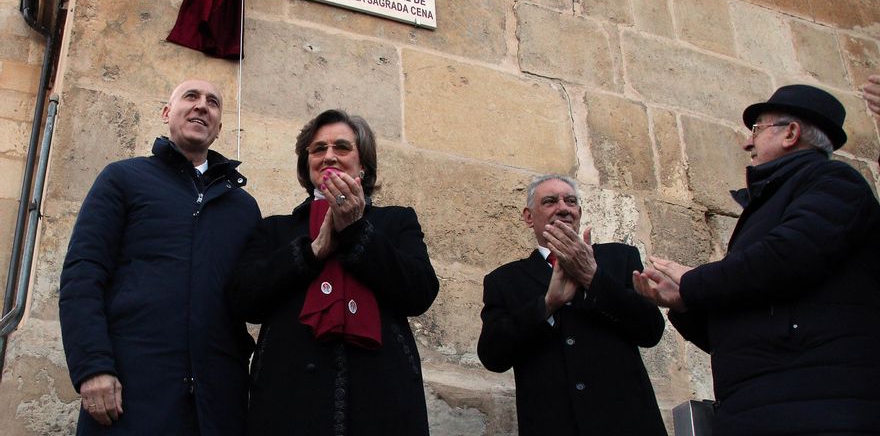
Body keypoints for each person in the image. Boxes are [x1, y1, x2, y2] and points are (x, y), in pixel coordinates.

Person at [634, 84, 880, 435]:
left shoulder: (833, 182)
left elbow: (785, 257)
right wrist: (684, 304)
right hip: (764, 407)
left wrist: (691, 283)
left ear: (791, 133)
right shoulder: (774, 202)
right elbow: (751, 327)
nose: (747, 143)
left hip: (816, 408)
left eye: (757, 129)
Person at [59, 79, 261, 434]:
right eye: (191, 97)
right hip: (131, 393)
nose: (202, 106)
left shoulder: (243, 208)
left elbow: (252, 295)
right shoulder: (123, 178)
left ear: (218, 129)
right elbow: (83, 273)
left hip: (215, 406)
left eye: (212, 102)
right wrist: (93, 366)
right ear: (168, 113)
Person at [227, 109, 439, 436]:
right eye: (318, 149)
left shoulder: (397, 221)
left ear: (363, 164)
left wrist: (357, 232)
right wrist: (310, 252)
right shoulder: (274, 229)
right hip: (288, 400)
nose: (329, 156)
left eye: (341, 147)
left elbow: (421, 291)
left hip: (381, 398)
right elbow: (243, 298)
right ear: (306, 163)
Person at [477, 174, 667, 436]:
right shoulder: (505, 280)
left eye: (570, 201)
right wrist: (547, 305)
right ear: (529, 217)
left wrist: (593, 278)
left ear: (579, 211)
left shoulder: (619, 258)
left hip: (627, 422)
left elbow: (651, 330)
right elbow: (492, 355)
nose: (563, 208)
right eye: (550, 201)